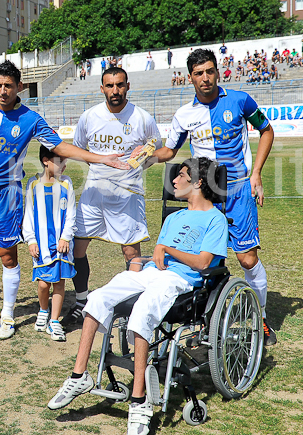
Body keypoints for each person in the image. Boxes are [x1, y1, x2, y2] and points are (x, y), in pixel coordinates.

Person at [47, 157, 229, 435]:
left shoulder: (215, 218)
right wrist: (143, 259)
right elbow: (159, 255)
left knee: (142, 312)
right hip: (152, 272)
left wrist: (166, 250)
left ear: (198, 182)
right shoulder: (174, 217)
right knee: (99, 297)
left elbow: (204, 262)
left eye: (181, 176)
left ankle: (139, 400)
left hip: (180, 280)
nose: (175, 181)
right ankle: (79, 376)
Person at [0, 60, 128, 340]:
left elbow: (59, 146)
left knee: (7, 255)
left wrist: (100, 157)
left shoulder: (31, 119)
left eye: (8, 86)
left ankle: (7, 315)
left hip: (7, 194)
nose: (2, 91)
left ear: (19, 87)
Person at [151, 48, 277, 345]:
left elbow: (267, 130)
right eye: (198, 74)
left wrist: (256, 172)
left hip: (238, 190)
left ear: (217, 72)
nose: (205, 78)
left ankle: (260, 318)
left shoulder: (240, 100)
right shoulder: (184, 115)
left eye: (209, 71)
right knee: (206, 261)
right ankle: (209, 319)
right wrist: (143, 157)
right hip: (205, 197)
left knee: (247, 259)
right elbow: (169, 151)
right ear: (190, 78)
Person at [65, 67, 161, 326]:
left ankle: (132, 305)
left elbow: (159, 151)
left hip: (127, 195)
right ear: (102, 88)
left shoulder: (142, 118)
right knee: (77, 248)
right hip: (94, 193)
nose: (115, 91)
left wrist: (143, 159)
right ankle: (81, 301)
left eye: (119, 85)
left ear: (127, 86)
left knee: (132, 253)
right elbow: (80, 149)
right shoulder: (89, 117)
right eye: (109, 86)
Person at [22, 145, 76, 342]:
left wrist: (66, 237)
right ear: (46, 160)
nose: (64, 165)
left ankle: (54, 321)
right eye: (59, 160)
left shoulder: (66, 184)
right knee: (44, 283)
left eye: (65, 160)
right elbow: (27, 214)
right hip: (42, 244)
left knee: (59, 282)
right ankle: (43, 310)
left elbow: (71, 213)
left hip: (61, 244)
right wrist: (31, 240)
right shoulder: (33, 184)